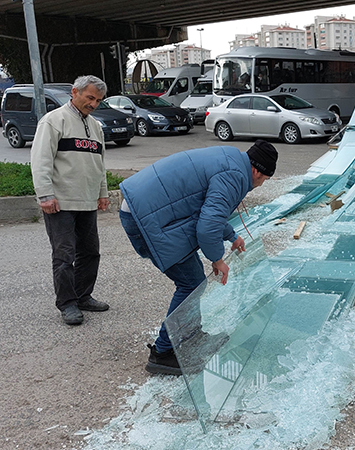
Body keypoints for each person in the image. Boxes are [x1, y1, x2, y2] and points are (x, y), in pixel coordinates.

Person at [118, 139, 278, 375]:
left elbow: (207, 208)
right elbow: (207, 225)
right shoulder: (235, 176)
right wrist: (218, 259)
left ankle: (190, 336)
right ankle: (163, 353)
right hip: (146, 217)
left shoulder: (231, 160)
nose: (261, 185)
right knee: (190, 283)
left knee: (193, 281)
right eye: (264, 179)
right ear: (256, 170)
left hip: (146, 208)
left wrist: (232, 235)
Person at [31, 75, 111, 326]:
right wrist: (45, 194)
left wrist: (102, 192)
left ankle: (83, 296)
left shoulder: (96, 126)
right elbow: (41, 160)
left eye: (98, 100)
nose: (93, 104)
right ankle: (67, 304)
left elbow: (99, 163)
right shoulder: (53, 121)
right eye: (89, 98)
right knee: (64, 255)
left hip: (87, 201)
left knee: (90, 253)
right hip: (61, 202)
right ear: (74, 92)